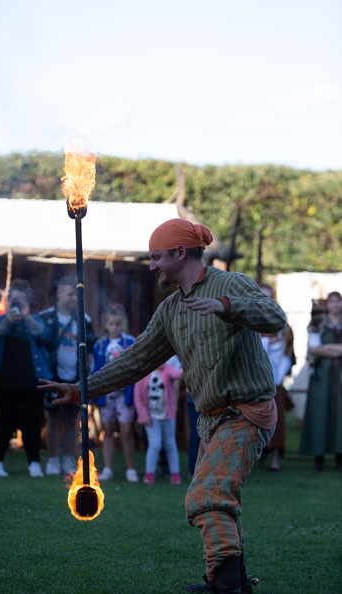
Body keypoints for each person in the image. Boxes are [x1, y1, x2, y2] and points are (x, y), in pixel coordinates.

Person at [38, 218, 287, 593]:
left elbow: (275, 318)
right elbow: (134, 360)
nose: (152, 265)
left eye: (156, 257)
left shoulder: (230, 283)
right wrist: (81, 390)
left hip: (247, 411)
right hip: (212, 419)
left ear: (180, 253)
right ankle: (234, 581)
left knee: (207, 495)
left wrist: (226, 306)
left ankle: (225, 587)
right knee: (219, 496)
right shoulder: (172, 309)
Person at [0, 280, 52, 478]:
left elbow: (44, 336)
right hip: (3, 382)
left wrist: (26, 316)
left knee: (32, 423)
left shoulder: (34, 320)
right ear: (7, 301)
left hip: (32, 381)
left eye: (21, 300)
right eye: (14, 300)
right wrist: (7, 321)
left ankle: (34, 464)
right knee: (3, 423)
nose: (17, 304)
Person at [39, 276, 96, 476]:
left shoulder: (84, 319)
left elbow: (90, 346)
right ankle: (53, 460)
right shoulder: (45, 318)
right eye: (70, 294)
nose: (74, 298)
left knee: (73, 420)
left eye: (76, 294)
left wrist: (88, 371)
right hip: (53, 375)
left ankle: (69, 460)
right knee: (53, 419)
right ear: (59, 294)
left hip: (76, 377)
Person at [91, 303, 139, 483]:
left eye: (118, 324)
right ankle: (108, 468)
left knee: (126, 431)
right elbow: (96, 370)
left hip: (124, 393)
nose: (114, 327)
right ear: (106, 324)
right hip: (107, 395)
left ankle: (131, 469)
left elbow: (135, 369)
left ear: (123, 324)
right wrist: (96, 396)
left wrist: (130, 394)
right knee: (108, 430)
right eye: (111, 324)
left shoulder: (130, 342)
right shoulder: (100, 345)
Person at [299, 291, 342, 472]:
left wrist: (326, 348)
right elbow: (313, 349)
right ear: (327, 304)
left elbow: (320, 348)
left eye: (338, 301)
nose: (335, 304)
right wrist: (337, 350)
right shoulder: (317, 323)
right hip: (322, 374)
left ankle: (340, 457)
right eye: (331, 301)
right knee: (319, 412)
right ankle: (318, 457)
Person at [259, 283, 295, 471]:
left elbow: (286, 350)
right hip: (255, 382)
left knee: (277, 419)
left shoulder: (280, 319)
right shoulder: (249, 318)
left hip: (275, 380)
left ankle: (275, 457)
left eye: (268, 295)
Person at [134, 362, 183, 485]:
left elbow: (178, 374)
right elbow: (138, 397)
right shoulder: (144, 375)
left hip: (168, 416)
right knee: (155, 444)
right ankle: (149, 474)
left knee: (170, 443)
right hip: (151, 417)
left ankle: (175, 474)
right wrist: (144, 416)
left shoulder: (168, 370)